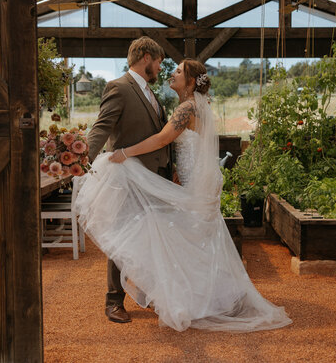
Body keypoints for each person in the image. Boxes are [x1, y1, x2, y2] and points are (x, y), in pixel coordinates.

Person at [77, 56, 291, 332]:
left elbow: (162, 138)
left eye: (178, 71)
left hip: (196, 181)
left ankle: (197, 299)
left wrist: (124, 153)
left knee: (177, 233)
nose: (172, 74)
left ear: (190, 81)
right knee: (196, 238)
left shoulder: (187, 107)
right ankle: (205, 295)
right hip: (195, 176)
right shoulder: (191, 106)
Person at [86, 36, 171, 324]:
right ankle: (114, 301)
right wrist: (80, 160)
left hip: (154, 177)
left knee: (150, 238)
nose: (160, 67)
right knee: (121, 238)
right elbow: (101, 127)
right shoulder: (119, 88)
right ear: (146, 57)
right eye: (159, 61)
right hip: (128, 178)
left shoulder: (150, 92)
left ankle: (149, 294)